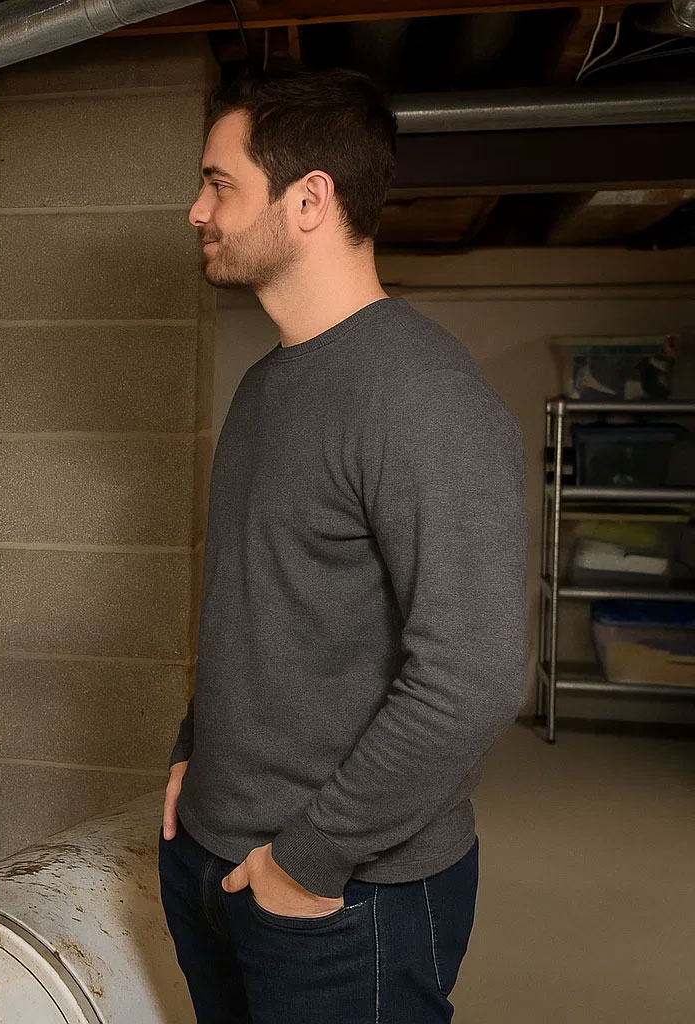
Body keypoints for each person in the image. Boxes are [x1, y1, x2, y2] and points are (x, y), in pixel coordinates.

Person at [157, 68, 527, 1023]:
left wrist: (309, 860)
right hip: (213, 855)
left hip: (343, 897)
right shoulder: (266, 384)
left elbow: (475, 675)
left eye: (220, 184)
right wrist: (197, 753)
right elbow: (257, 603)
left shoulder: (422, 397)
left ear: (310, 198)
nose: (197, 210)